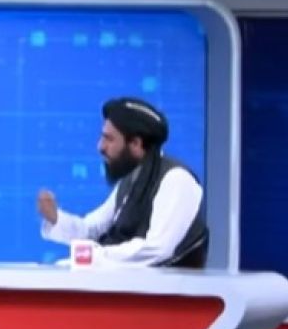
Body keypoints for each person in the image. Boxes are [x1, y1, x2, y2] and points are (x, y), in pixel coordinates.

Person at [36, 97, 209, 268]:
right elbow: (92, 230)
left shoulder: (176, 179)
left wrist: (94, 256)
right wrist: (55, 218)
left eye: (109, 139)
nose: (100, 147)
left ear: (136, 144)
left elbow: (155, 250)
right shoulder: (130, 180)